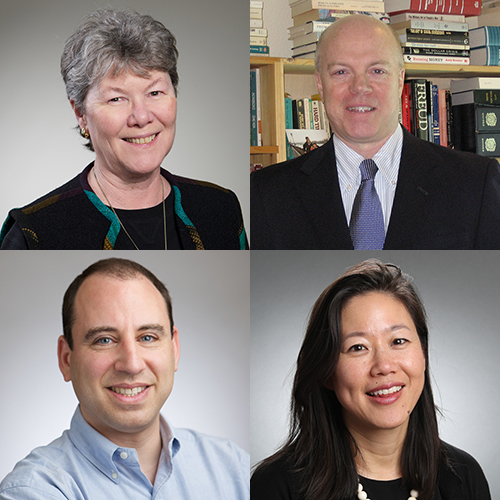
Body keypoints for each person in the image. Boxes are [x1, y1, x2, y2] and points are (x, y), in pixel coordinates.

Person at [0, 258, 249, 499]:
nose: (131, 364)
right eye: (104, 340)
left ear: (174, 349)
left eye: (148, 337)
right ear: (66, 359)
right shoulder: (33, 491)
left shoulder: (233, 467)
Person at [0, 9, 247, 250]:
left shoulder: (222, 208)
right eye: (116, 99)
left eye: (155, 92)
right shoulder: (33, 233)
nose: (141, 117)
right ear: (80, 114)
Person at [250, 15, 500, 249]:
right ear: (320, 83)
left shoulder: (475, 183)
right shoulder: (268, 193)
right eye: (341, 72)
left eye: (377, 71)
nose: (360, 87)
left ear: (400, 80)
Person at [251, 260, 491, 500]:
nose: (384, 366)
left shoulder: (464, 476)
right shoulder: (275, 485)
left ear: (423, 353)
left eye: (398, 341)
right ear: (325, 371)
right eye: (358, 347)